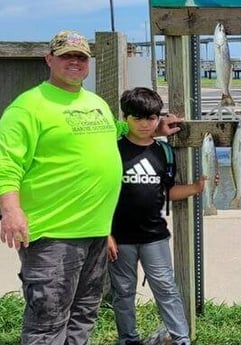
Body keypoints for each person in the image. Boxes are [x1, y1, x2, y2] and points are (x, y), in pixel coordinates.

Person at [0, 30, 181, 344]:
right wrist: (11, 209)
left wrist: (155, 127)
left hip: (96, 232)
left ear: (88, 63)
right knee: (48, 318)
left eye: (80, 57)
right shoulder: (27, 107)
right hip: (54, 233)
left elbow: (114, 129)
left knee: (84, 312)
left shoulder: (95, 103)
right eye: (66, 55)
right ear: (49, 59)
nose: (74, 61)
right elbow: (7, 163)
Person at [108, 87, 211, 345]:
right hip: (120, 238)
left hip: (155, 235)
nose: (145, 124)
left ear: (158, 119)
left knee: (166, 288)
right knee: (123, 292)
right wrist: (105, 234)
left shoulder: (164, 152)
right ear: (125, 119)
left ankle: (180, 338)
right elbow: (102, 196)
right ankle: (128, 339)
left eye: (151, 118)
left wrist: (196, 188)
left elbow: (167, 191)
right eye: (137, 118)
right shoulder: (112, 151)